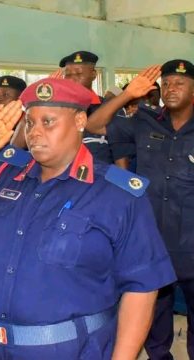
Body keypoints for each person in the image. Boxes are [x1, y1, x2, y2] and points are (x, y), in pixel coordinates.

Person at [0, 78, 176, 360]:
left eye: (48, 122)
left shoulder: (117, 194)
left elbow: (142, 288)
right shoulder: (6, 175)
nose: (35, 133)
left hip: (68, 350)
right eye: (30, 123)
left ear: (79, 121)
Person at [85, 60, 194, 359]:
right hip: (151, 244)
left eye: (180, 83)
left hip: (192, 243)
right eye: (167, 83)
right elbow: (93, 125)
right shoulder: (143, 121)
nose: (171, 88)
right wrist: (126, 95)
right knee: (153, 320)